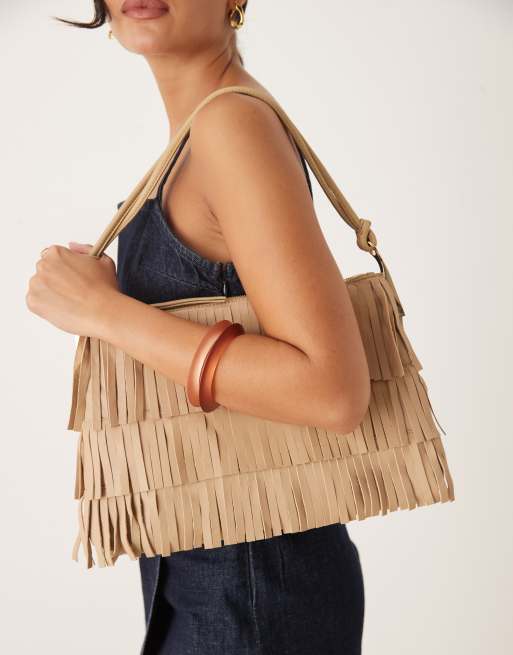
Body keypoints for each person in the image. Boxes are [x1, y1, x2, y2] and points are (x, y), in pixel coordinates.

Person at [26, 2, 368, 653]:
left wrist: (104, 312)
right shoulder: (201, 131)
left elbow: (331, 390)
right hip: (224, 583)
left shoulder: (229, 126)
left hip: (252, 594)